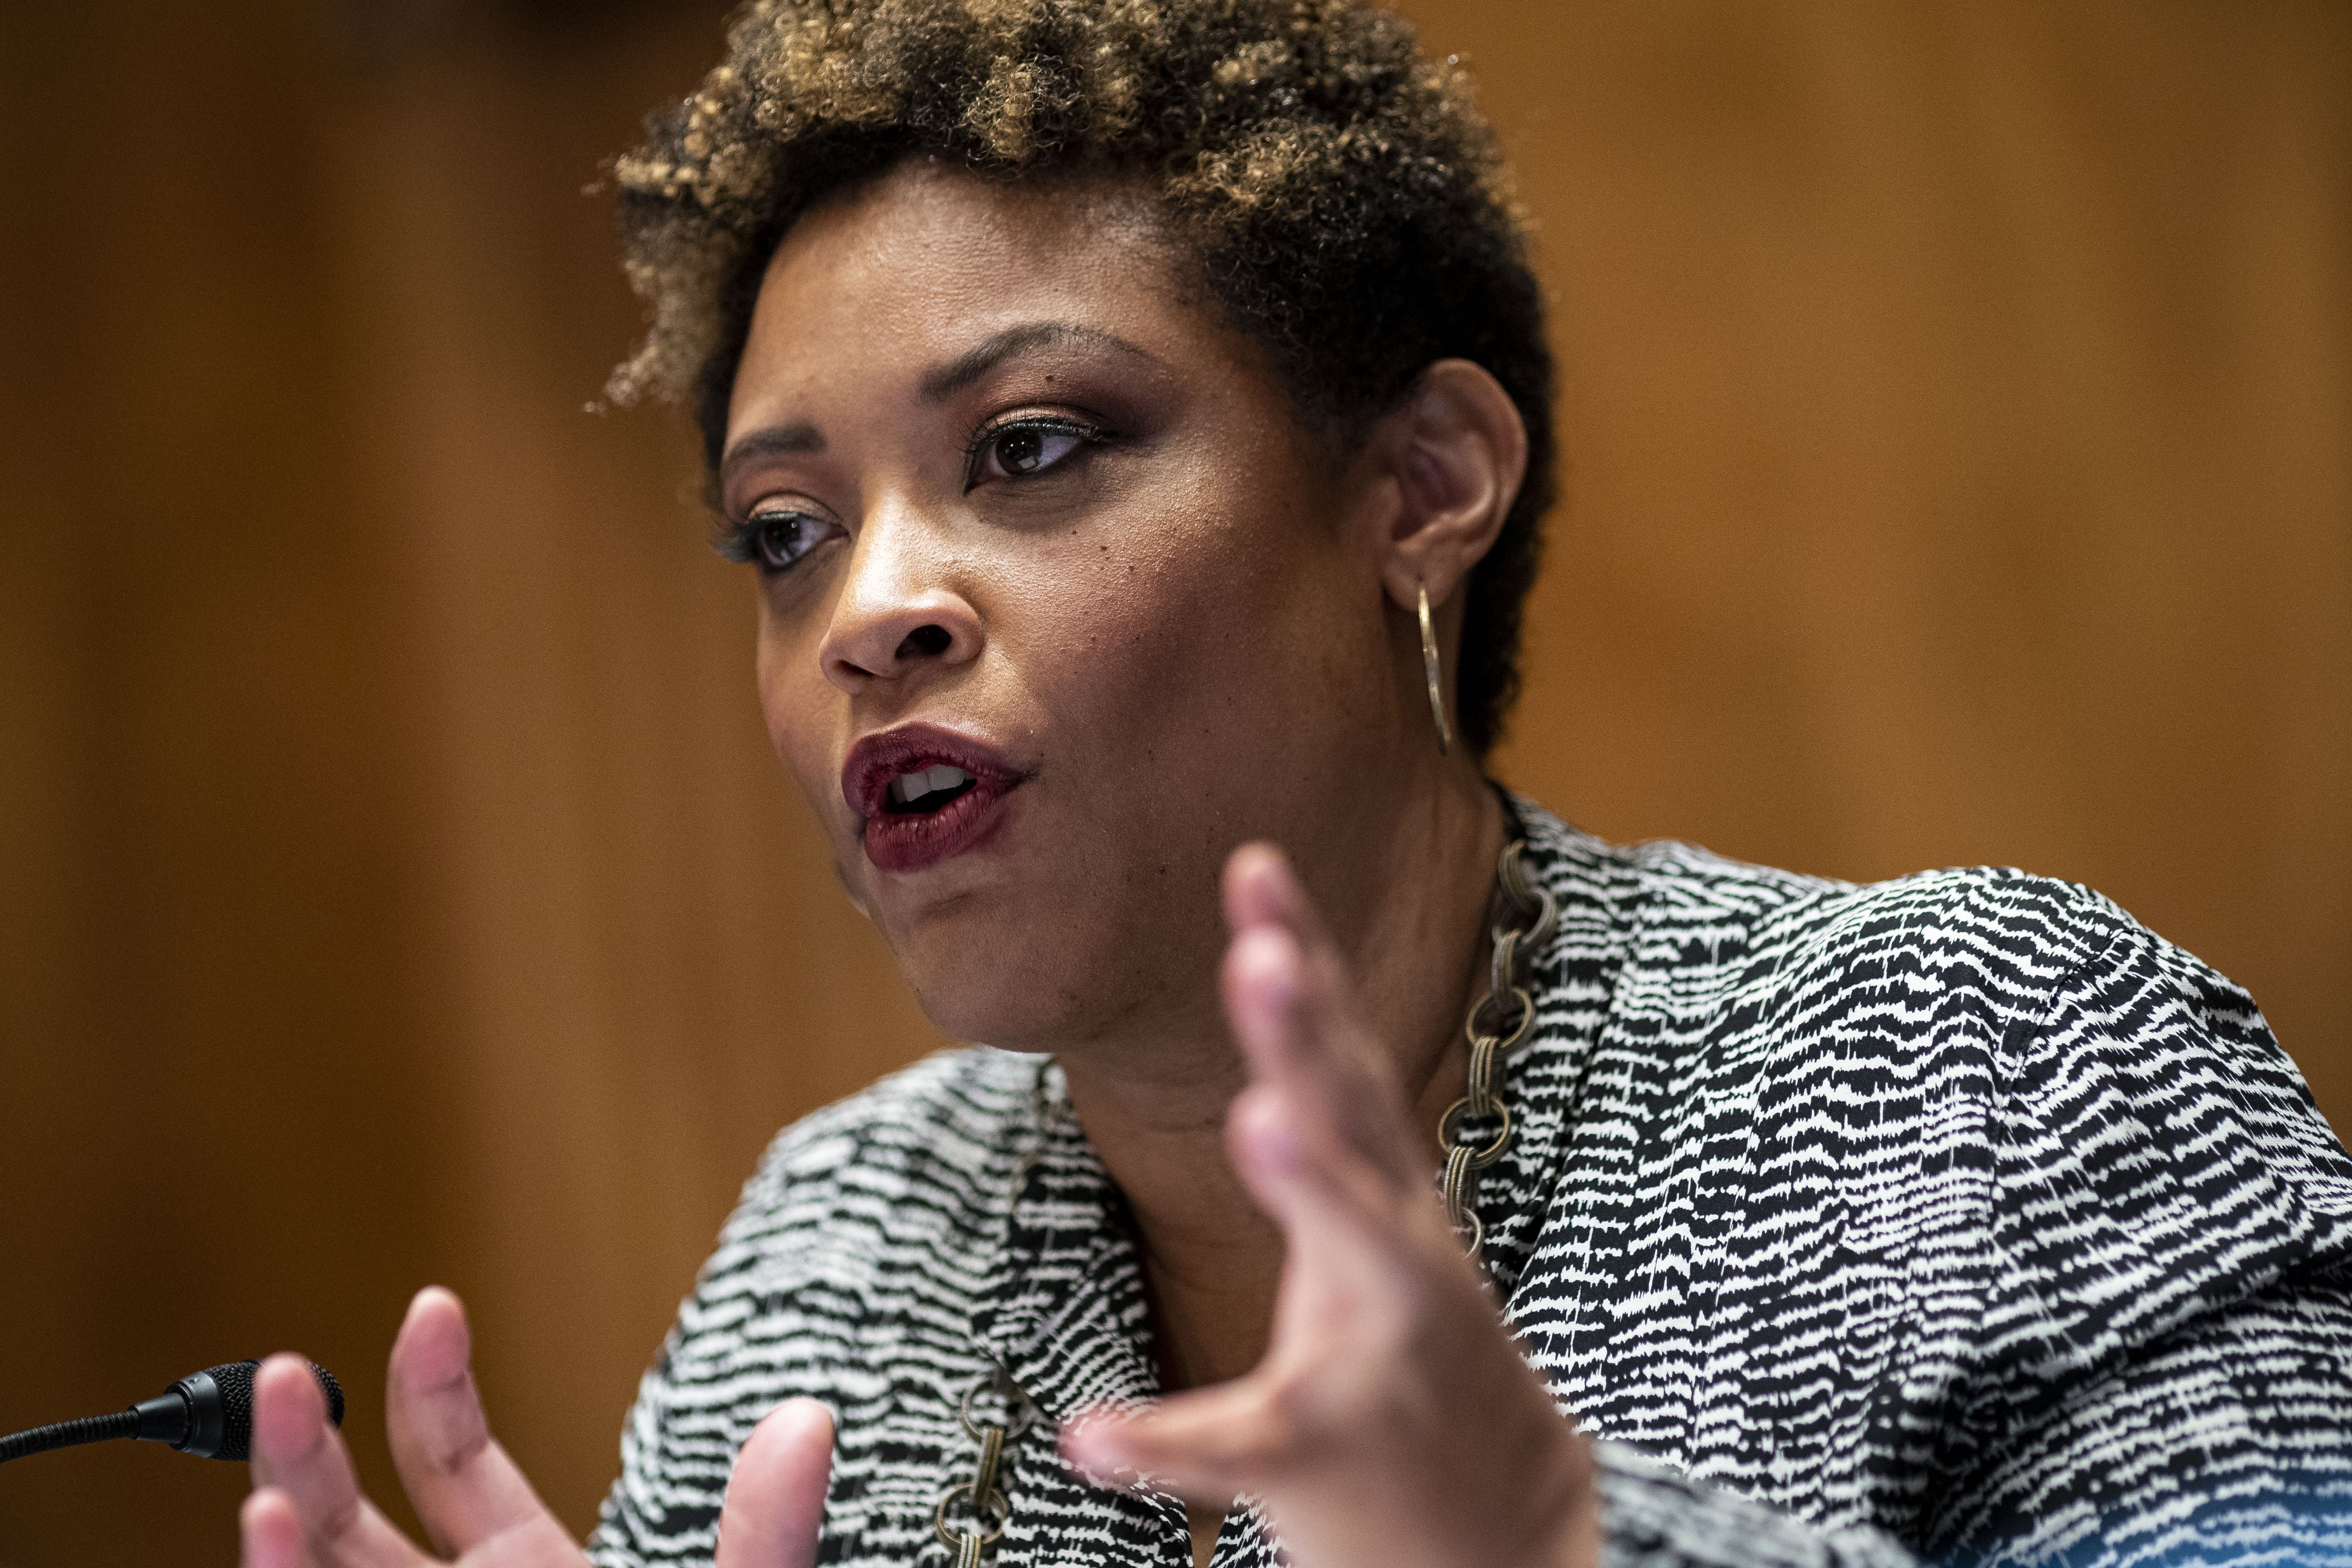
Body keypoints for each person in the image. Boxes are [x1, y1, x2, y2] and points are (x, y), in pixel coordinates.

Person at [236, 1, 2352, 1566]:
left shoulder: (1983, 1063)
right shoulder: (838, 1255)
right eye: (784, 532)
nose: (872, 605)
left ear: (1421, 484)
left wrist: (1553, 1547)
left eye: (1034, 446)